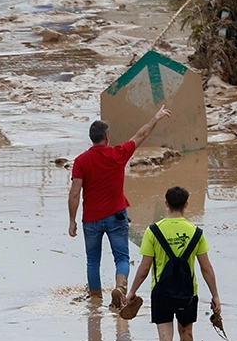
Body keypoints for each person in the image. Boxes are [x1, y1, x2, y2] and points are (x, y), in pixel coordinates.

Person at [68, 105, 173, 307]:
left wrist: (72, 220)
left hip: (91, 219)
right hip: (116, 215)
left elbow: (74, 193)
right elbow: (141, 134)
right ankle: (121, 288)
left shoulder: (81, 161)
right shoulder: (118, 153)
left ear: (92, 138)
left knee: (92, 261)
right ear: (107, 136)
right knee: (121, 257)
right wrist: (156, 117)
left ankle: (96, 300)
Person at [124, 186, 221, 341]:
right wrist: (215, 295)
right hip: (188, 292)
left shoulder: (153, 232)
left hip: (161, 292)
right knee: (186, 333)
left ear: (166, 203)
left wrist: (132, 291)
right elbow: (206, 268)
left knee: (165, 336)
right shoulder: (196, 232)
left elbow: (144, 268)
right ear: (186, 204)